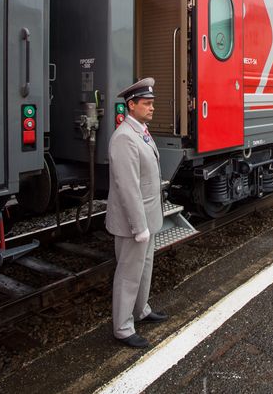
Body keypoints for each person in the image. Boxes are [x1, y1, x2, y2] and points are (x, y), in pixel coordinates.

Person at [106, 77, 167, 348]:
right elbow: (127, 187)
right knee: (129, 273)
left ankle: (140, 310)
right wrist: (138, 226)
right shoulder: (124, 138)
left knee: (145, 268)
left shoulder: (141, 130)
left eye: (152, 103)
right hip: (134, 221)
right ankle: (122, 327)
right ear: (132, 105)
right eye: (147, 103)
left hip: (149, 216)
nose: (152, 108)